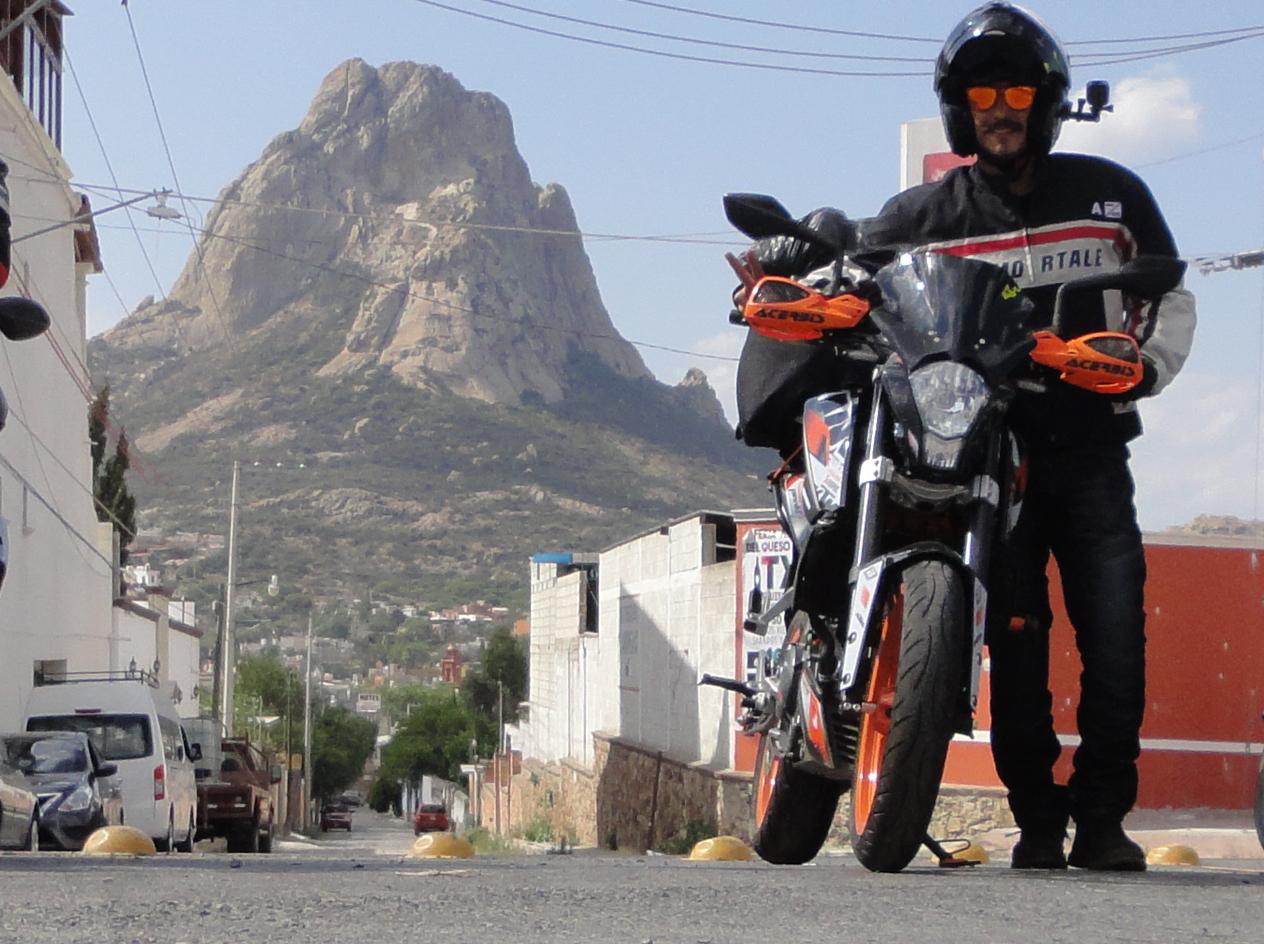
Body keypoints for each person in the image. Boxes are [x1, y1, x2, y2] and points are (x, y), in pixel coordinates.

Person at [860, 2, 1197, 870]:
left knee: (1116, 635)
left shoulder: (1110, 194)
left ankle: (1105, 819)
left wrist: (1146, 368)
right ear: (958, 108)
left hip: (1091, 452)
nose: (999, 107)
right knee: (1013, 643)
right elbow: (858, 285)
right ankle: (1039, 823)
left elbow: (1172, 292)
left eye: (1015, 88)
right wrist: (785, 263)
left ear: (1045, 98)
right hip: (985, 465)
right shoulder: (920, 216)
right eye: (981, 92)